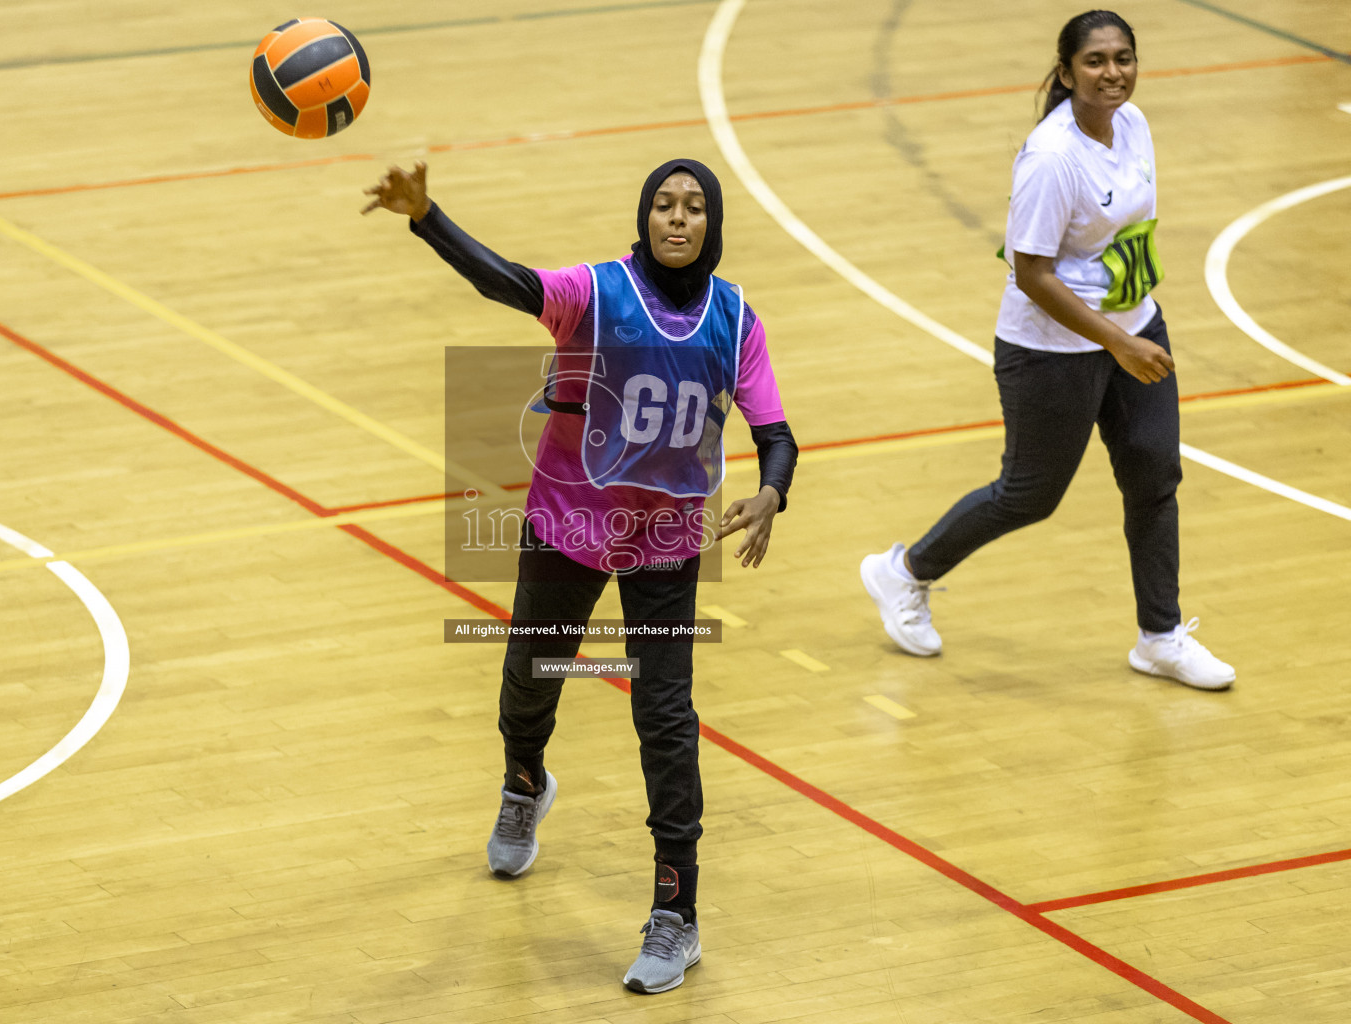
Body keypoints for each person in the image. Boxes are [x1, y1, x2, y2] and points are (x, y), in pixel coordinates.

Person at [363, 157, 798, 992]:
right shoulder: (595, 294)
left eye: (695, 207)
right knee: (531, 676)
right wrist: (428, 217)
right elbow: (508, 282)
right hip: (567, 524)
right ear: (644, 217)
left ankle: (678, 916)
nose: (679, 218)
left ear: (711, 224)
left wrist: (772, 490)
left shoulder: (735, 315)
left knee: (665, 719)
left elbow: (775, 431)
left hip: (667, 541)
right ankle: (526, 778)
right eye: (665, 205)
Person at [860, 10, 1234, 690]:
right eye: (1096, 61)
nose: (1113, 72)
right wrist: (1118, 342)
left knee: (1154, 475)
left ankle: (1160, 637)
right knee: (1029, 494)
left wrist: (1132, 327)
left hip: (1133, 327)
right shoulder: (1052, 157)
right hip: (1052, 349)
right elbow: (1031, 274)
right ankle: (904, 571)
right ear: (1066, 72)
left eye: (1124, 57)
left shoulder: (1135, 123)